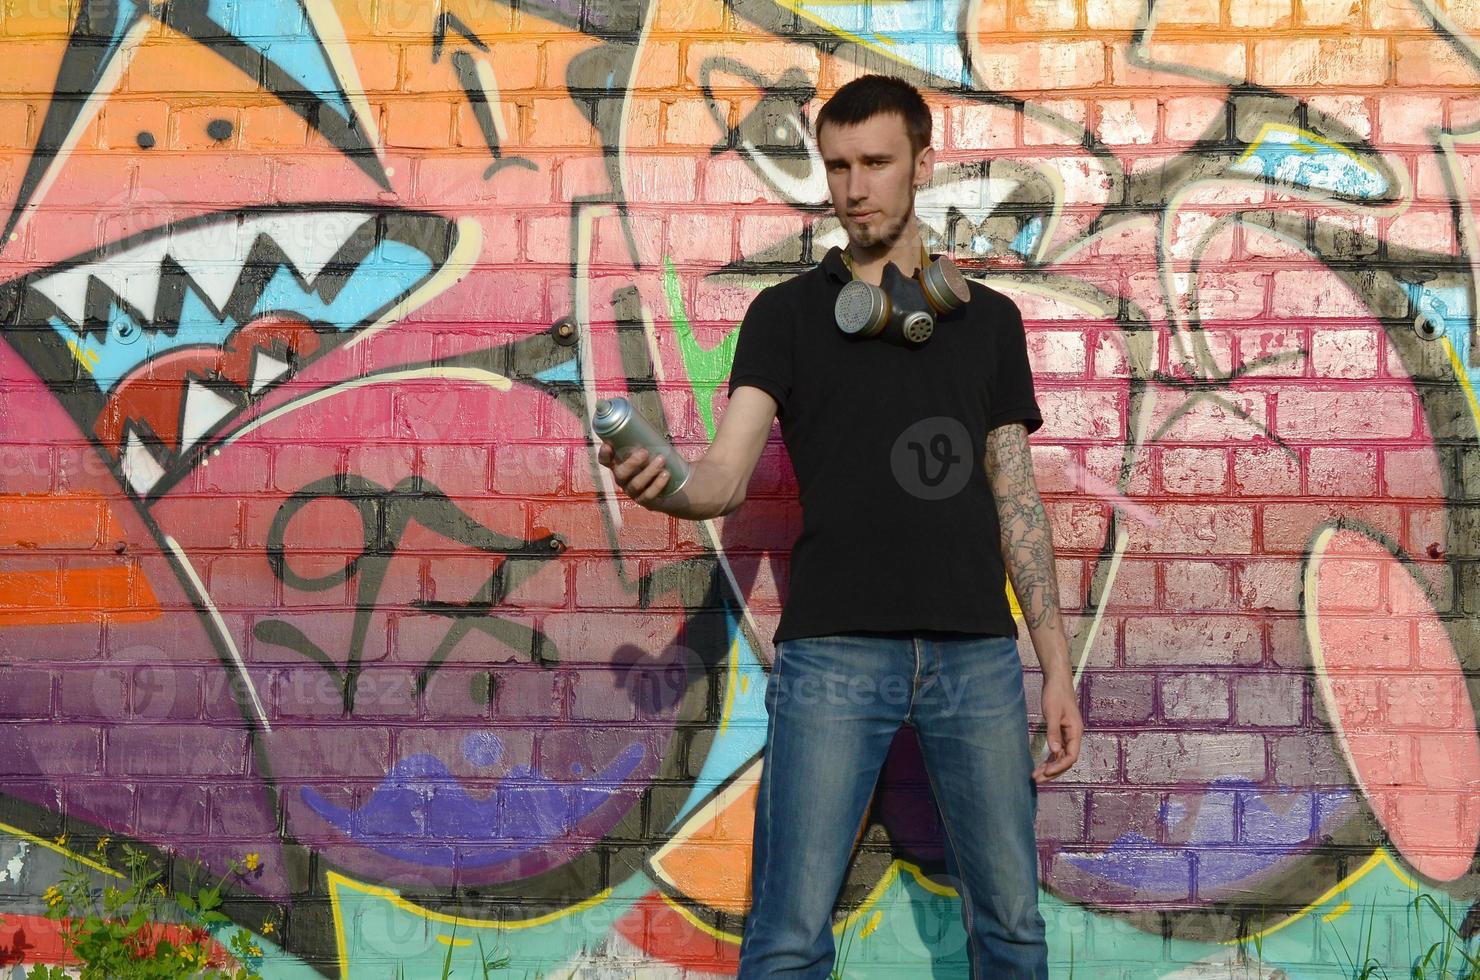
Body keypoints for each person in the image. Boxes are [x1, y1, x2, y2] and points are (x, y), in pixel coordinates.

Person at [598, 74, 1083, 978]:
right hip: (832, 654)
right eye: (837, 166)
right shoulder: (783, 317)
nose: (854, 187)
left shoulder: (989, 322)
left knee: (1013, 927)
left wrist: (1055, 667)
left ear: (921, 165)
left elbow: (1017, 503)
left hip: (976, 655)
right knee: (786, 935)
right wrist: (662, 489)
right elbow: (720, 480)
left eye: (876, 163)